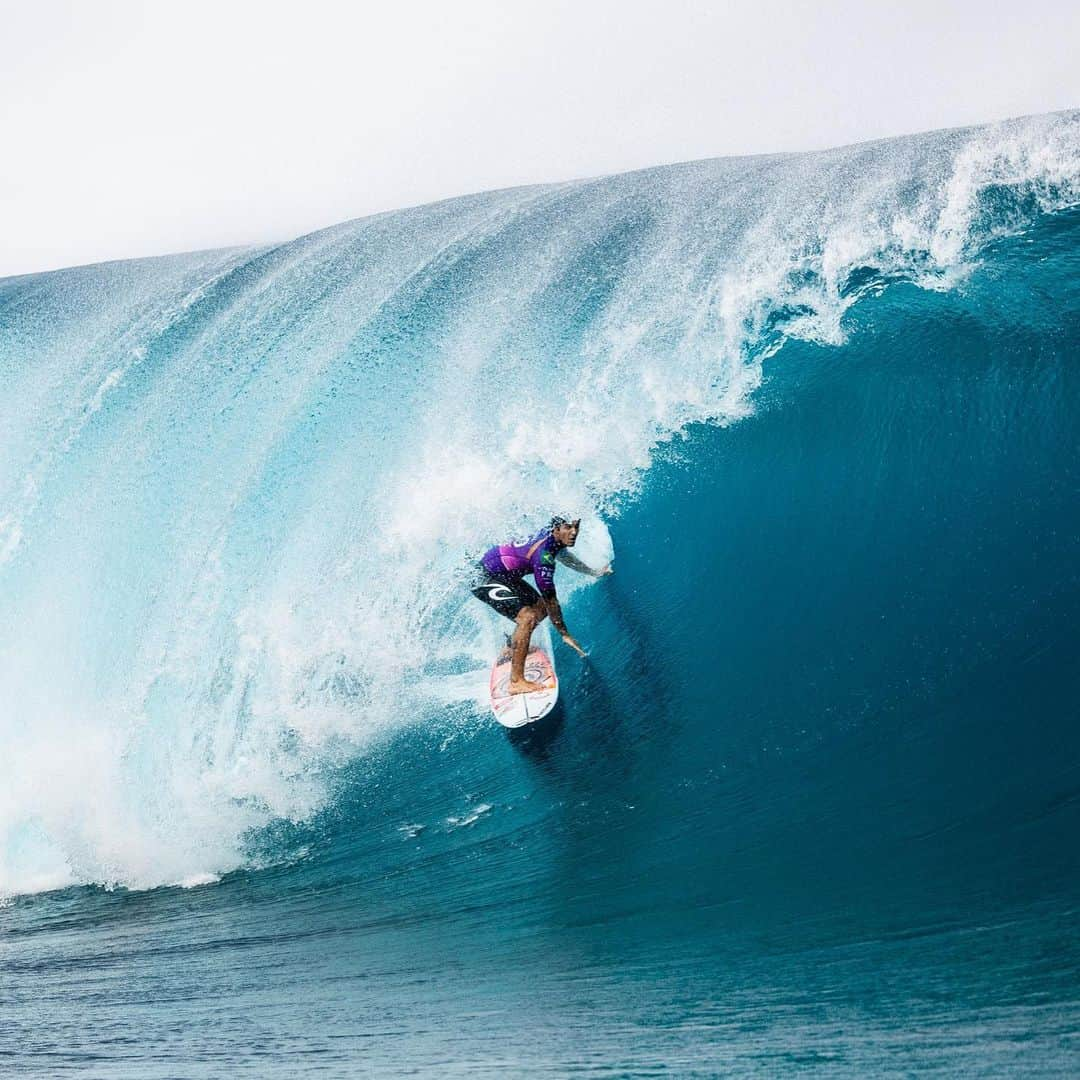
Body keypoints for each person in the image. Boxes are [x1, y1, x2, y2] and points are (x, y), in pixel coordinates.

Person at [472, 517, 612, 695]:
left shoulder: (553, 538)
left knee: (539, 608)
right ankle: (516, 682)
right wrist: (564, 634)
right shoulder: (543, 557)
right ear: (556, 529)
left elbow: (566, 558)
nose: (574, 532)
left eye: (576, 526)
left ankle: (511, 647)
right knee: (528, 617)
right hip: (482, 577)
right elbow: (551, 600)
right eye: (568, 527)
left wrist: (593, 572)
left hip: (502, 575)